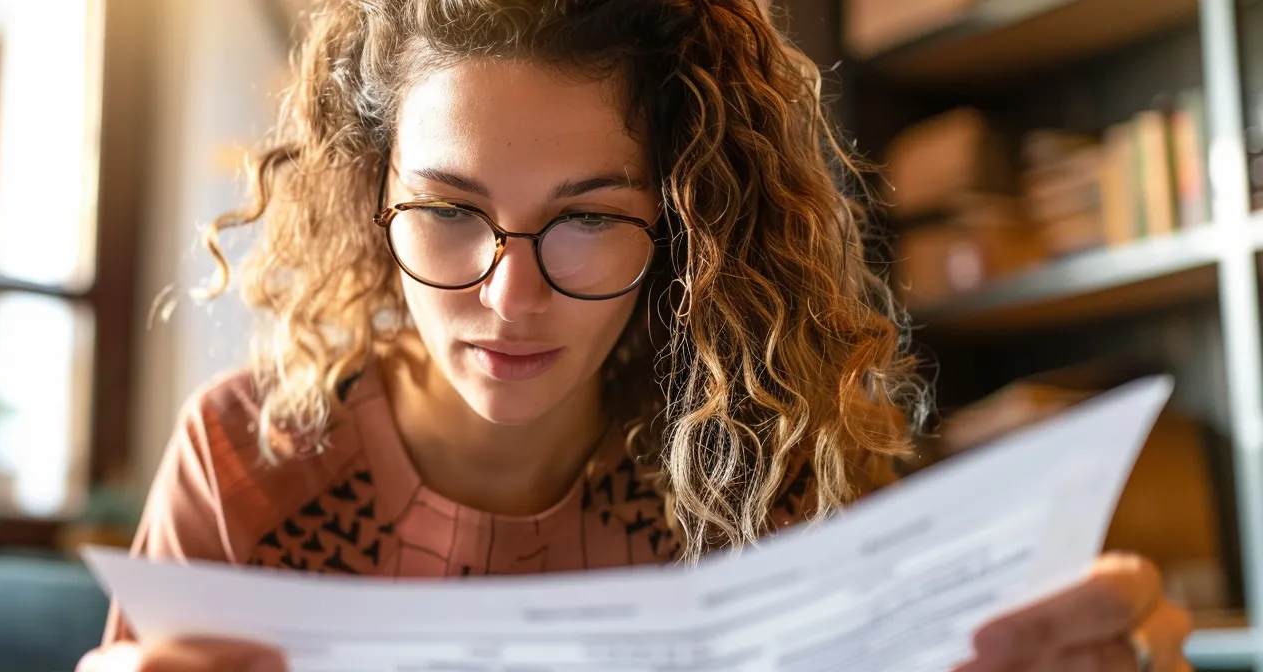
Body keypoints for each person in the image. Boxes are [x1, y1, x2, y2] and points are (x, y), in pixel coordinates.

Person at [79, 0, 1193, 670]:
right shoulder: (247, 469)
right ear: (371, 198)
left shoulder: (755, 465)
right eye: (451, 211)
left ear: (682, 222)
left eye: (586, 221)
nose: (510, 298)